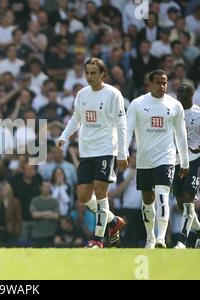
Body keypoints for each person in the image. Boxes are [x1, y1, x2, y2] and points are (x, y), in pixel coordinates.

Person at [57, 58, 128, 248]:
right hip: (86, 150)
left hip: (106, 149)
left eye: (93, 73)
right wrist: (64, 136)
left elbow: (122, 125)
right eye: (87, 72)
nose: (89, 76)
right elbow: (76, 118)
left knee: (100, 192)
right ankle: (114, 221)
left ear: (102, 74)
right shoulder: (82, 94)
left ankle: (97, 240)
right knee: (83, 196)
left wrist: (122, 153)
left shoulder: (113, 94)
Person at [126, 69, 189, 249]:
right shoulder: (138, 104)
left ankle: (161, 237)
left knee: (163, 196)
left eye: (165, 82)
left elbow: (181, 135)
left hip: (166, 159)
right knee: (147, 200)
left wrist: (184, 161)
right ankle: (150, 238)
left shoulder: (174, 105)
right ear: (150, 84)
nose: (162, 86)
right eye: (158, 82)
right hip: (144, 160)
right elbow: (128, 130)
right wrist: (123, 152)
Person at [173, 82, 200, 249]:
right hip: (177, 161)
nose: (178, 96)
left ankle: (182, 241)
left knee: (189, 200)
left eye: (182, 93)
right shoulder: (173, 112)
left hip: (194, 160)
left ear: (190, 95)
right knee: (181, 204)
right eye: (177, 93)